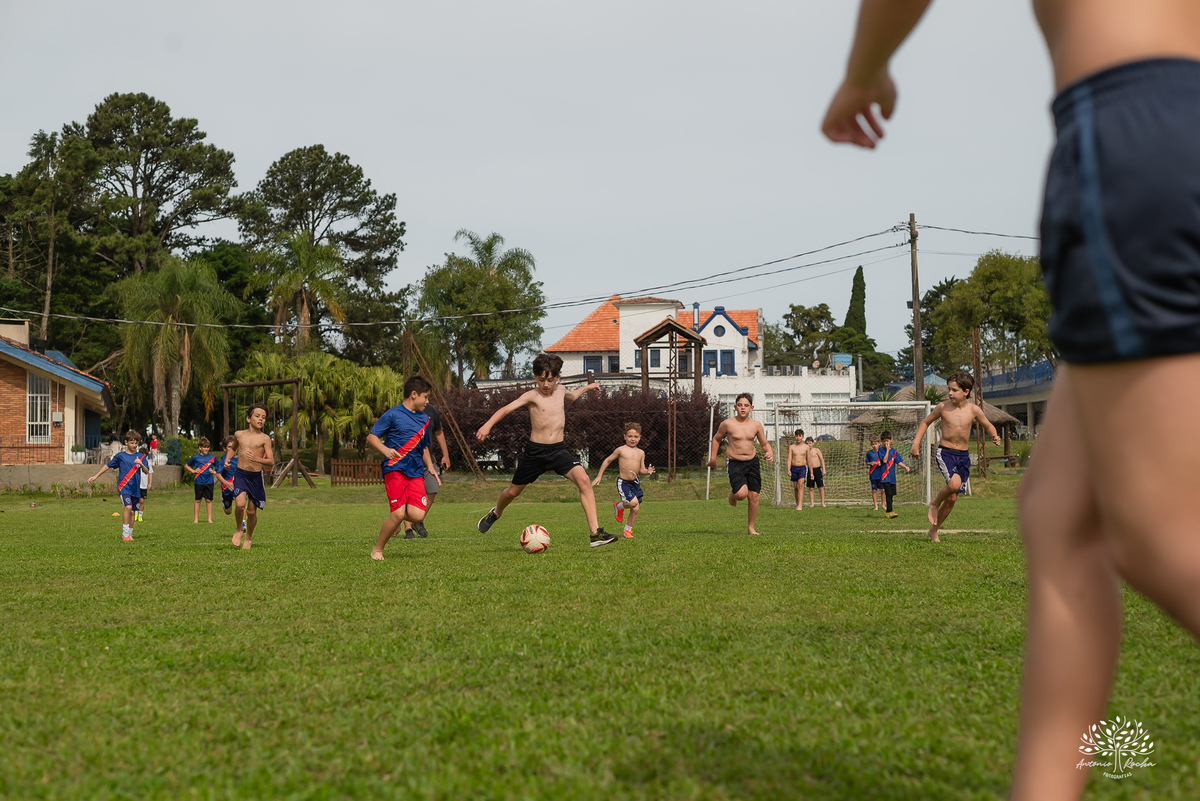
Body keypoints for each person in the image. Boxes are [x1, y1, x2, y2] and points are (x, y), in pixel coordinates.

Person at [826, 7, 1200, 792]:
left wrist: (864, 72)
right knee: (1061, 517)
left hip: (1141, 118)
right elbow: (935, 420)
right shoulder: (945, 409)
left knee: (1161, 536)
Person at [475, 352, 617, 548]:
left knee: (584, 480)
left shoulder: (561, 391)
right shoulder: (532, 395)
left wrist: (587, 387)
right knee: (512, 492)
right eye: (541, 380)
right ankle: (496, 513)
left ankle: (595, 534)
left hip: (558, 451)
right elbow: (506, 409)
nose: (545, 385)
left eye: (550, 380)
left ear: (557, 378)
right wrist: (487, 425)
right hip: (536, 453)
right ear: (535, 377)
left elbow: (572, 396)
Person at [909, 373, 1000, 542]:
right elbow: (925, 423)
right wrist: (916, 443)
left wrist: (994, 435)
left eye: (954, 390)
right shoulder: (942, 407)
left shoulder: (974, 410)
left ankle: (933, 530)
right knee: (954, 484)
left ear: (966, 391)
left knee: (952, 498)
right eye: (949, 389)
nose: (950, 393)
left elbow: (987, 424)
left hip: (963, 456)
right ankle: (934, 503)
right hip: (946, 453)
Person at [367, 375, 442, 560]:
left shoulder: (424, 419)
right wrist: (385, 450)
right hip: (395, 469)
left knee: (417, 515)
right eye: (425, 397)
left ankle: (395, 519)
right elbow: (371, 437)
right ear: (414, 395)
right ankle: (377, 550)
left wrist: (431, 467)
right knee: (399, 514)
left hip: (415, 471)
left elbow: (423, 446)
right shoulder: (393, 414)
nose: (427, 401)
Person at [707, 393, 774, 535]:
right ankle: (733, 494)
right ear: (735, 407)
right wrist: (713, 458)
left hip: (752, 462)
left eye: (746, 405)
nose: (743, 408)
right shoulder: (727, 424)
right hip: (734, 463)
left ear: (751, 408)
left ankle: (751, 528)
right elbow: (716, 439)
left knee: (754, 495)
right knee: (741, 494)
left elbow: (764, 443)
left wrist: (769, 452)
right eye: (740, 405)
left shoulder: (756, 425)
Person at [591, 422, 656, 539]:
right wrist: (599, 476)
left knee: (635, 508)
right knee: (633, 503)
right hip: (624, 483)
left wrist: (648, 471)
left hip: (635, 482)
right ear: (624, 436)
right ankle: (619, 506)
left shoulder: (641, 452)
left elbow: (641, 469)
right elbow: (607, 460)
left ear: (640, 437)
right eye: (630, 436)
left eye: (636, 437)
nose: (633, 439)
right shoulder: (621, 450)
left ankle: (627, 531)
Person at [402, 399, 451, 540]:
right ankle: (408, 529)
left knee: (432, 489)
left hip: (428, 459)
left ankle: (418, 520)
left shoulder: (430, 411)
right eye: (425, 395)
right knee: (408, 495)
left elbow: (439, 433)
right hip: (408, 461)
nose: (428, 400)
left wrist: (446, 455)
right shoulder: (403, 412)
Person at [87, 430, 148, 541]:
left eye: (136, 443)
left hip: (135, 489)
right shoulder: (121, 456)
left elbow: (146, 471)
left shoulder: (141, 457)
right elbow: (108, 466)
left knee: (133, 512)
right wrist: (96, 476)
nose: (134, 445)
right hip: (124, 487)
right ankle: (125, 534)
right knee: (128, 507)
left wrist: (141, 464)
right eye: (131, 443)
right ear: (126, 442)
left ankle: (130, 534)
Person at [232, 404, 274, 549]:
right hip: (241, 474)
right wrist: (227, 460)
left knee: (251, 511)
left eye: (263, 417)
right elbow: (233, 447)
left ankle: (248, 537)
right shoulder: (239, 434)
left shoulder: (265, 438)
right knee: (239, 504)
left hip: (256, 477)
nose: (261, 420)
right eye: (257, 416)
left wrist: (257, 459)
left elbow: (271, 462)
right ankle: (239, 529)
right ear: (248, 418)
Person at [214, 435, 246, 538]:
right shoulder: (224, 460)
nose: (233, 449)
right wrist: (226, 483)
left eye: (234, 446)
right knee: (228, 511)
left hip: (238, 486)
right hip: (226, 488)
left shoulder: (241, 459)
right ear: (224, 448)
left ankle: (243, 523)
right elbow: (218, 474)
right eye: (229, 447)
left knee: (241, 504)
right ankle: (225, 504)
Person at [876, 431, 910, 519]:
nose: (885, 443)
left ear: (891, 440)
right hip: (884, 477)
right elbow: (884, 460)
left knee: (891, 494)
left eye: (887, 441)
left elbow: (898, 461)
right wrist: (887, 450)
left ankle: (889, 511)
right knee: (888, 493)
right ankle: (890, 511)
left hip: (892, 477)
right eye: (883, 441)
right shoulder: (881, 450)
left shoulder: (894, 451)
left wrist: (905, 467)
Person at [185, 437, 218, 524]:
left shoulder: (212, 457)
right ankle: (196, 519)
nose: (206, 449)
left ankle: (209, 519)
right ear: (200, 447)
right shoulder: (195, 457)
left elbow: (219, 466)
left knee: (208, 500)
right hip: (198, 481)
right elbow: (187, 465)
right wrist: (193, 471)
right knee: (198, 500)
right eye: (204, 447)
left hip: (209, 482)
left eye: (207, 447)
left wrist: (214, 471)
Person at [786, 430, 809, 511]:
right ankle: (797, 503)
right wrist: (788, 469)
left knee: (800, 485)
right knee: (796, 487)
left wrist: (811, 472)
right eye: (796, 436)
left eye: (799, 436)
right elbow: (789, 459)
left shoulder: (806, 447)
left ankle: (800, 505)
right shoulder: (792, 447)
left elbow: (808, 460)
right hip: (794, 468)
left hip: (802, 468)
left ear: (802, 437)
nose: (798, 438)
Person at [805, 437, 826, 508]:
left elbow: (822, 460)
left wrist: (824, 469)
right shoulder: (805, 451)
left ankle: (822, 503)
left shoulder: (816, 450)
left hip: (817, 469)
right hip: (810, 470)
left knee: (821, 487)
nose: (808, 445)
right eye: (807, 443)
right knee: (811, 488)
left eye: (810, 443)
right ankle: (812, 503)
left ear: (813, 443)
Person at [136, 444, 154, 522]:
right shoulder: (136, 462)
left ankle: (140, 515)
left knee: (142, 501)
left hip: (143, 484)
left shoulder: (148, 463)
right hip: (136, 484)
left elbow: (150, 473)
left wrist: (150, 483)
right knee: (136, 500)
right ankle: (135, 514)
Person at [865, 435, 883, 511]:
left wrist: (880, 463)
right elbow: (866, 463)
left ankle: (883, 504)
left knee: (883, 490)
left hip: (881, 474)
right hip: (873, 475)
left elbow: (885, 461)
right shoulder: (869, 453)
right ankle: (876, 506)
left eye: (876, 443)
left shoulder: (882, 452)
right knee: (874, 490)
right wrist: (871, 463)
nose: (874, 445)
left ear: (879, 444)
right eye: (873, 444)